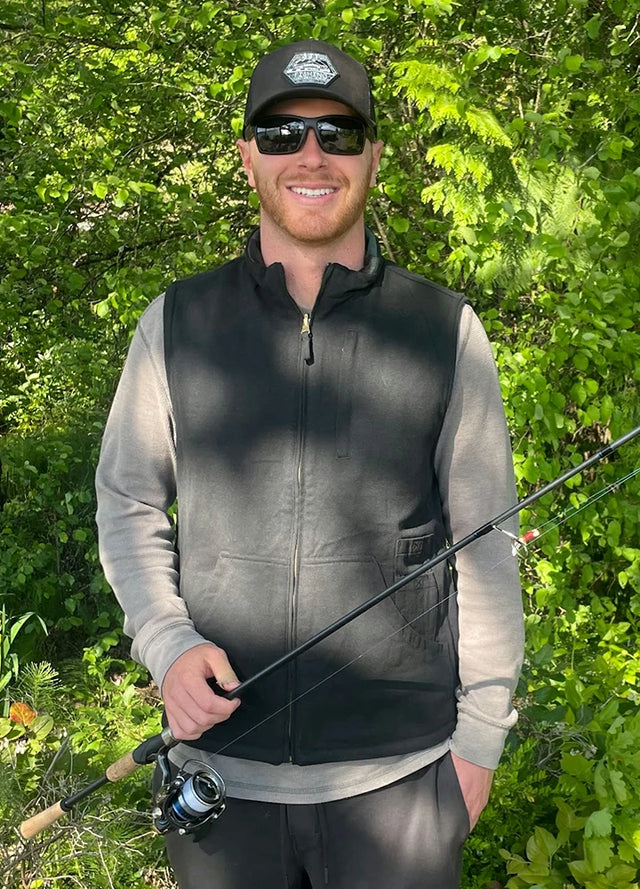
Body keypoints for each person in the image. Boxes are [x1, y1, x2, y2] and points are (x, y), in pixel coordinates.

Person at [96, 38, 524, 889]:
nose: (312, 155)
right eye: (283, 133)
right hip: (219, 784)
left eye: (338, 132)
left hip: (401, 785)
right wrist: (169, 642)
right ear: (248, 155)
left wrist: (477, 744)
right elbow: (127, 501)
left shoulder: (445, 330)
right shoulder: (177, 322)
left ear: (372, 155)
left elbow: (486, 543)